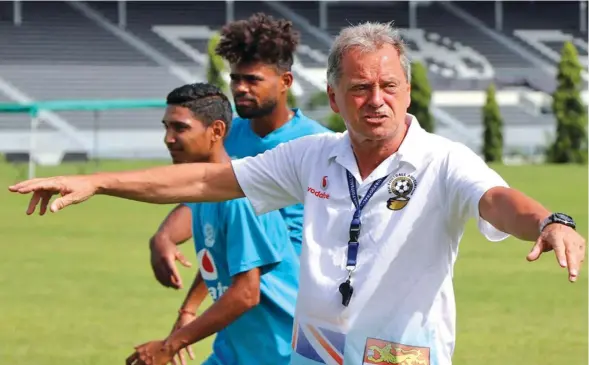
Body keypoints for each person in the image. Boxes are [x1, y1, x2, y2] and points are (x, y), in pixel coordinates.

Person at [9, 22, 585, 365]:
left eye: (389, 86)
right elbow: (207, 181)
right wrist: (98, 181)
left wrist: (549, 220)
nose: (376, 100)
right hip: (315, 348)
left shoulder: (444, 160)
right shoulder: (313, 155)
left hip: (398, 355)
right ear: (334, 98)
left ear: (408, 92)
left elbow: (497, 200)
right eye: (360, 88)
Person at [150, 13, 331, 291]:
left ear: (285, 81)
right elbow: (203, 192)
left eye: (252, 80)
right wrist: (164, 236)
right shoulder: (226, 136)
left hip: (290, 302)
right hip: (235, 293)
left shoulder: (320, 144)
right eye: (235, 79)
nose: (240, 88)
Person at [130, 82, 299, 365]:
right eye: (166, 127)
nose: (168, 139)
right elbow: (221, 260)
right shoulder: (205, 196)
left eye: (180, 128)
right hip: (234, 352)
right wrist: (189, 310)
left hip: (278, 353)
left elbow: (246, 293)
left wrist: (170, 346)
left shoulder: (238, 198)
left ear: (217, 131)